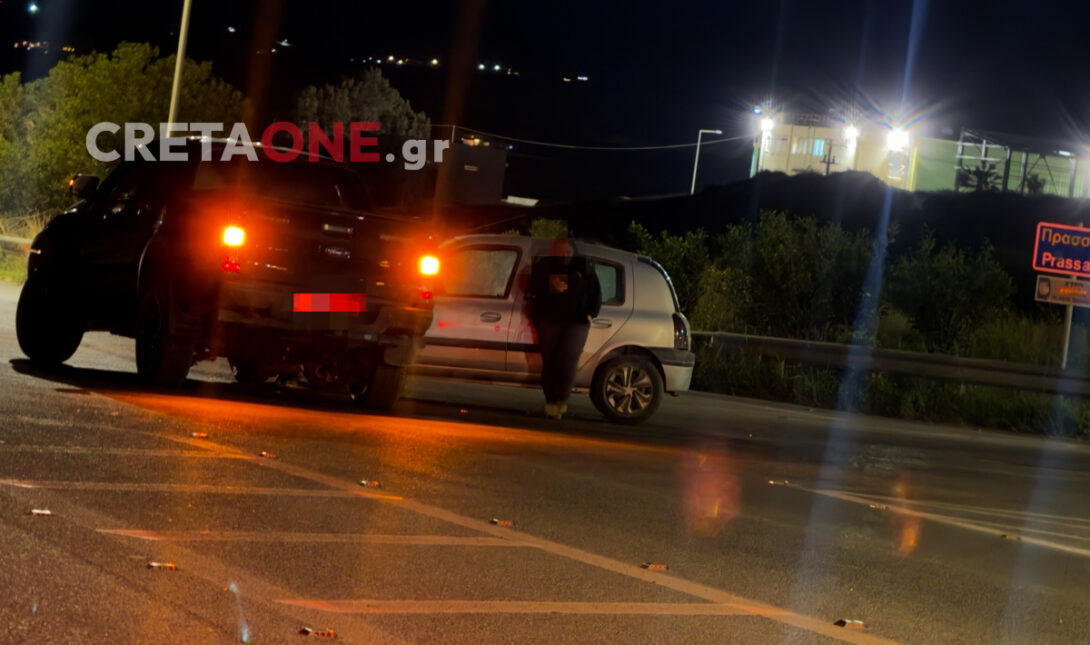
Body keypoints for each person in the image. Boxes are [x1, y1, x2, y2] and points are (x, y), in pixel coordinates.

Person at [528, 238, 602, 419]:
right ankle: (551, 402)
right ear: (553, 252)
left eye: (567, 252)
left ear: (573, 252)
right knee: (550, 361)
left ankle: (560, 401)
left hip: (576, 322)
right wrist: (538, 315)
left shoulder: (583, 268)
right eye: (560, 252)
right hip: (550, 320)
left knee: (567, 359)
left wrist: (590, 313)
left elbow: (596, 293)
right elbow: (533, 291)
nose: (564, 255)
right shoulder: (545, 267)